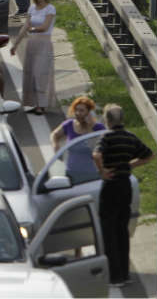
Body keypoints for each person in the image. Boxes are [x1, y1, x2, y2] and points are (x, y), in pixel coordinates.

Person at [92, 104, 155, 287]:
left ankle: (114, 276)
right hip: (125, 185)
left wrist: (102, 170)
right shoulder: (130, 137)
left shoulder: (107, 137)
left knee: (108, 230)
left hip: (110, 186)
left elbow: (96, 154)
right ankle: (125, 274)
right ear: (122, 120)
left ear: (108, 120)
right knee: (121, 230)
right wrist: (130, 165)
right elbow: (149, 155)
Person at [10, 0, 55, 115]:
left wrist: (32, 29)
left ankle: (41, 104)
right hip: (32, 44)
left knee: (40, 73)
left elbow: (45, 27)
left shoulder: (50, 9)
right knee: (31, 74)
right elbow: (26, 26)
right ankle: (33, 103)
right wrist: (15, 44)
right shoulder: (32, 8)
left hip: (44, 44)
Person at [50, 96, 106, 182]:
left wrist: (90, 126)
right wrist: (56, 145)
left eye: (81, 110)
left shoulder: (99, 128)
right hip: (72, 172)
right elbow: (54, 134)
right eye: (76, 110)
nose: (77, 113)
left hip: (93, 174)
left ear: (89, 112)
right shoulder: (69, 124)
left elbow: (103, 147)